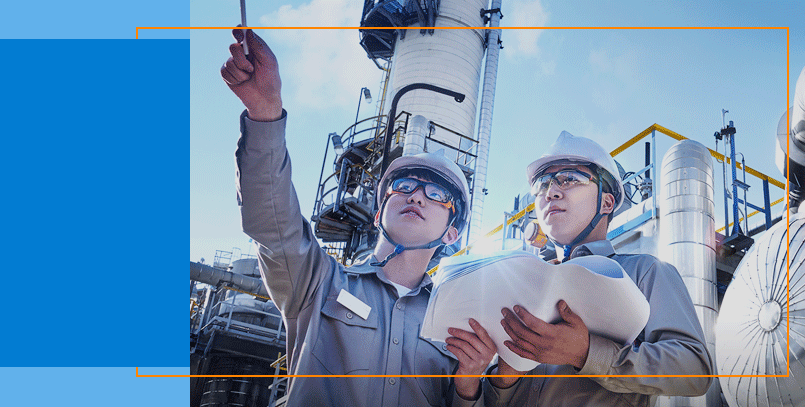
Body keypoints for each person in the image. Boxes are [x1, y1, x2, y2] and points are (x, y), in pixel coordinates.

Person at [222, 28, 486, 407]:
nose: (417, 195)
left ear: (451, 234)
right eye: (404, 185)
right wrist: (265, 113)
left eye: (438, 194)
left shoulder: (454, 325)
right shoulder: (318, 282)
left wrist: (468, 389)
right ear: (378, 214)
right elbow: (271, 222)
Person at [444, 131, 713, 405]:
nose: (551, 192)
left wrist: (585, 353)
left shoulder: (645, 272)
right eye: (542, 184)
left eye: (570, 178)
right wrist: (502, 378)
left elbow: (695, 370)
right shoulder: (522, 282)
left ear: (607, 202)